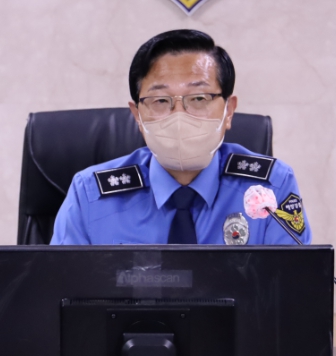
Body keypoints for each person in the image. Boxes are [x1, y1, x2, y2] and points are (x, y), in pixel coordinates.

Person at [52, 30, 311, 245]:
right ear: (137, 116)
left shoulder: (273, 187)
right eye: (160, 100)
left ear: (229, 110)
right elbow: (61, 288)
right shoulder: (90, 195)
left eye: (198, 98)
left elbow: (293, 287)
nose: (179, 116)